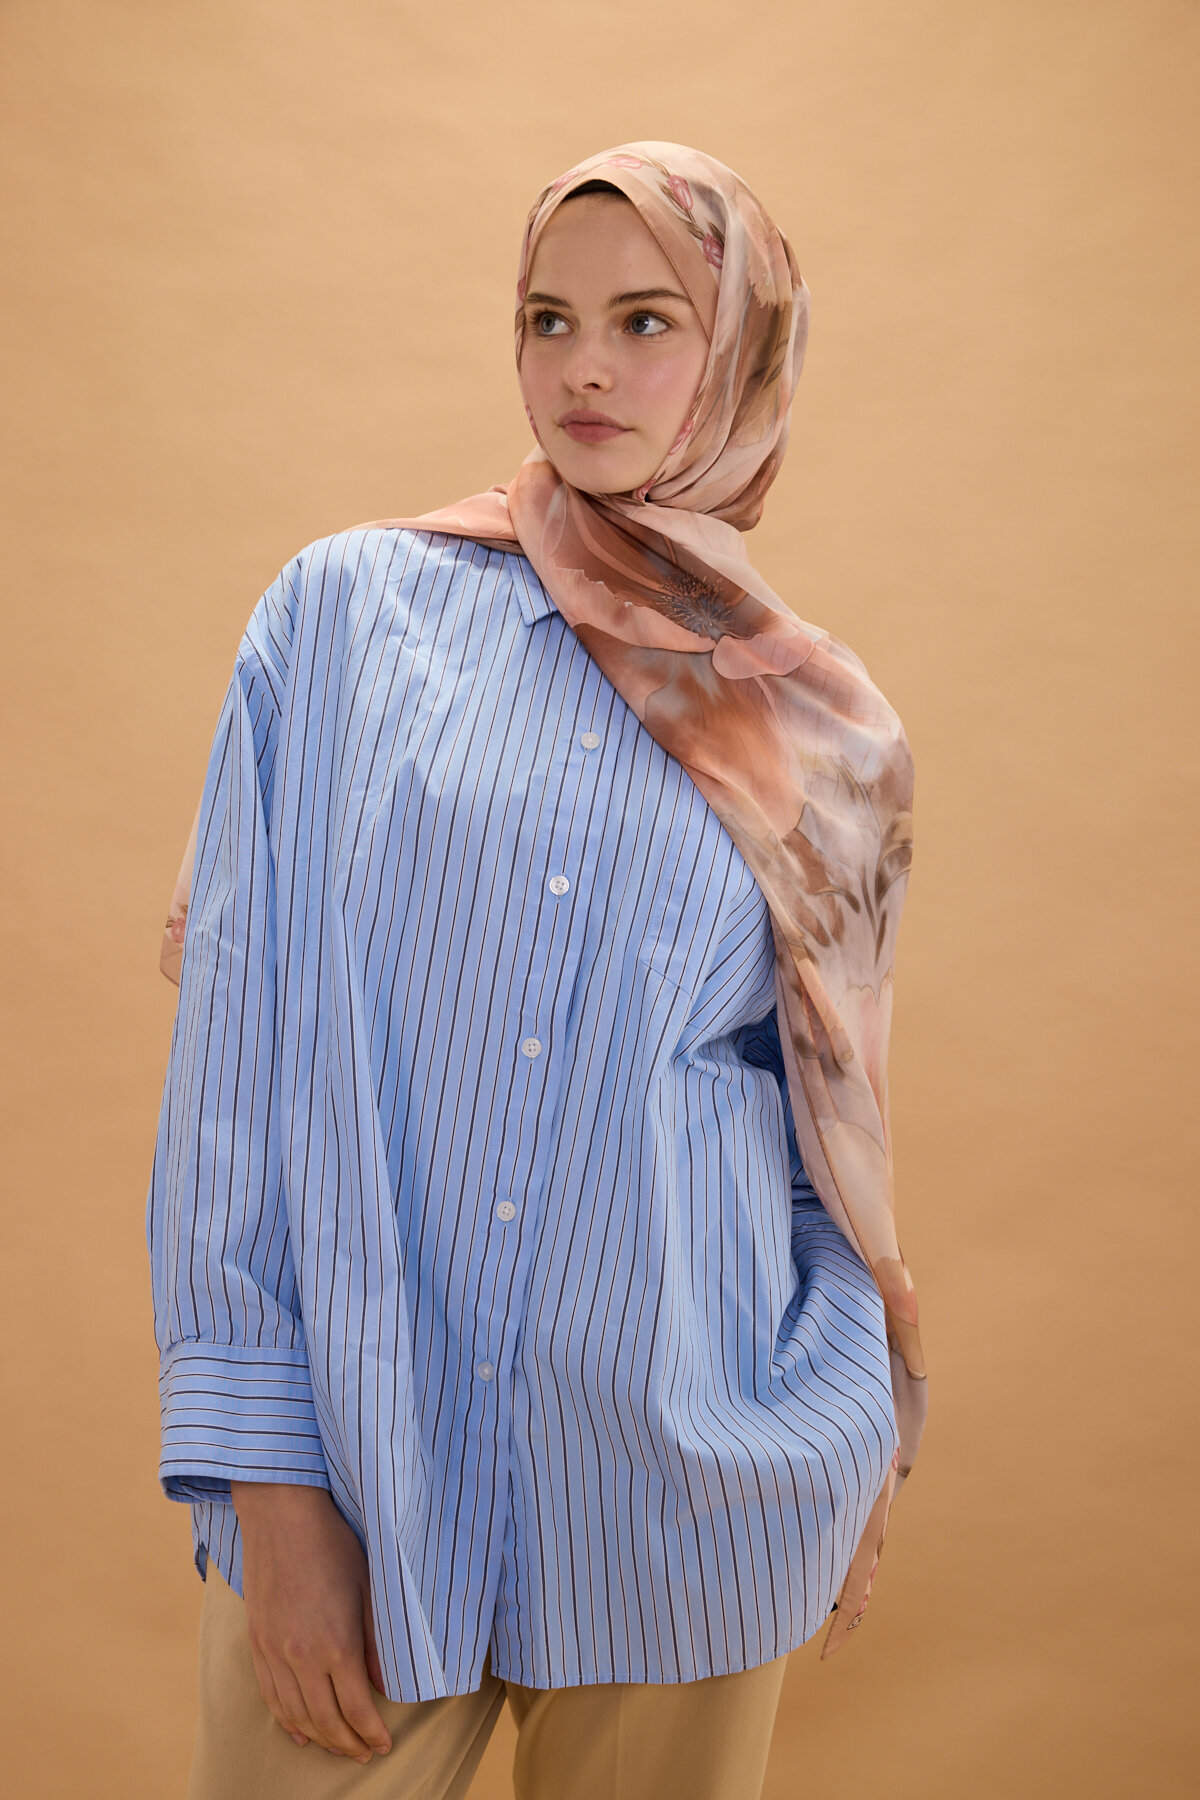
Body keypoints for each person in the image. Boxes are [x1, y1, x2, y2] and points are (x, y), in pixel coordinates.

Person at [147, 140, 928, 1800]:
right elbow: (236, 1061)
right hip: (367, 1478)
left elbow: (828, 1150)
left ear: (745, 352)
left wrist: (845, 1424)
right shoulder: (342, 621)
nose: (585, 368)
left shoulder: (824, 741)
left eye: (646, 321)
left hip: (690, 1500)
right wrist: (271, 1488)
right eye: (547, 319)